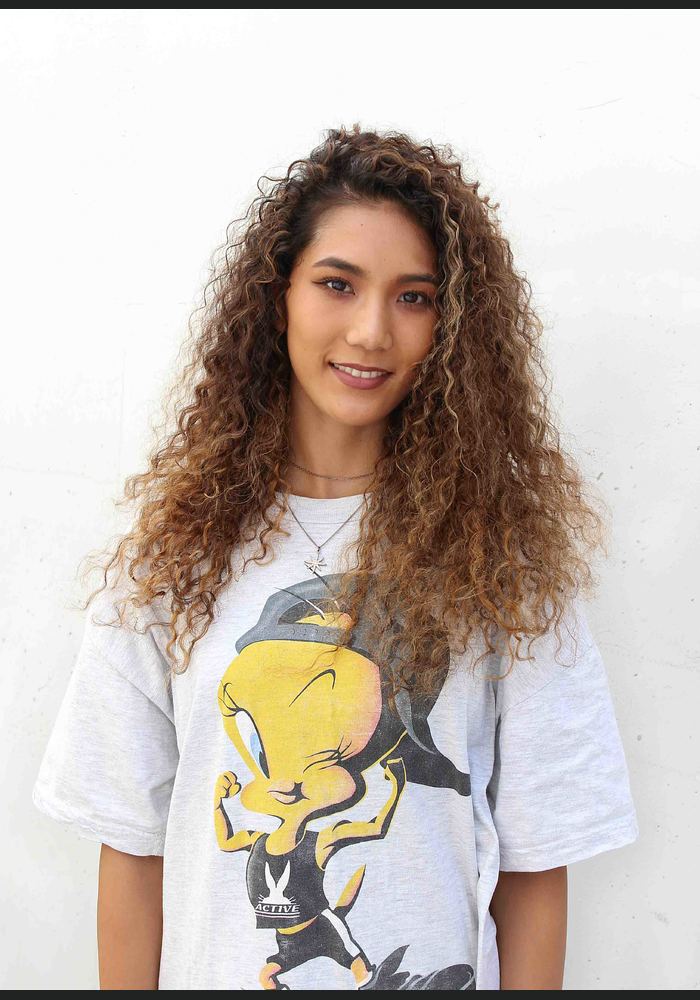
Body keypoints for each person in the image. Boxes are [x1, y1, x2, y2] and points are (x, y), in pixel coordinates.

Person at [32, 124, 639, 991]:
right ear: (277, 296)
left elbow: (537, 865)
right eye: (337, 283)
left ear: (452, 327)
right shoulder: (170, 564)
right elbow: (131, 847)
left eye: (414, 297)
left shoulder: (508, 568)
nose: (371, 330)